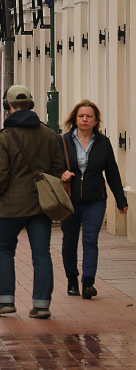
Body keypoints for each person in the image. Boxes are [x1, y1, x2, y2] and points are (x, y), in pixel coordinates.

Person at [0, 85, 66, 319]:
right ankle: (42, 305)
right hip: (40, 204)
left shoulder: (5, 137)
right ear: (31, 105)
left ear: (8, 106)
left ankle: (5, 301)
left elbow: (0, 174)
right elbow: (57, 169)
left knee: (4, 250)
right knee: (41, 254)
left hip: (11, 205)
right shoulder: (48, 134)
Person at [59, 100, 128, 300]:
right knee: (69, 242)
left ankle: (88, 282)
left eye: (89, 116)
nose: (85, 119)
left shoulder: (103, 143)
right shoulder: (62, 141)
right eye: (81, 116)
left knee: (90, 240)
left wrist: (121, 200)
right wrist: (61, 173)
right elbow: (51, 166)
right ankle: (72, 278)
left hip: (95, 200)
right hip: (69, 199)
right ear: (75, 118)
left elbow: (112, 173)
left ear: (96, 120)